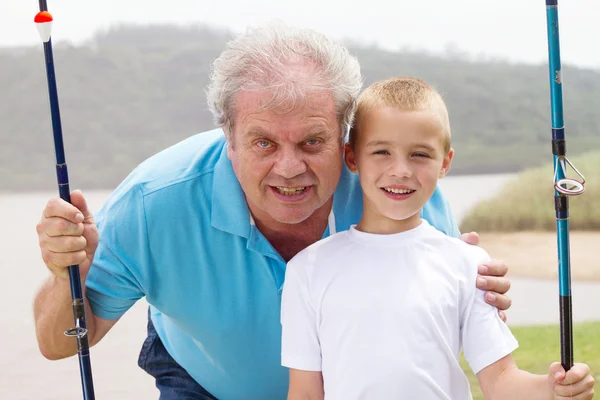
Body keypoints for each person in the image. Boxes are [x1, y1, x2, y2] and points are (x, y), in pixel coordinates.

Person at [34, 23, 514, 400]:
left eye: (312, 141)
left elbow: (443, 315)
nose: (289, 168)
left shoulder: (398, 188)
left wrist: (474, 290)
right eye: (264, 142)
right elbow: (59, 343)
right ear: (229, 138)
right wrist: (64, 276)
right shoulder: (149, 204)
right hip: (203, 384)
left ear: (346, 141)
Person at [280, 76, 596, 400]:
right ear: (352, 158)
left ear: (445, 162)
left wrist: (552, 389)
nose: (400, 170)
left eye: (419, 154)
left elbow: (501, 381)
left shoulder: (469, 264)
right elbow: (305, 392)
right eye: (381, 152)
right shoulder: (308, 269)